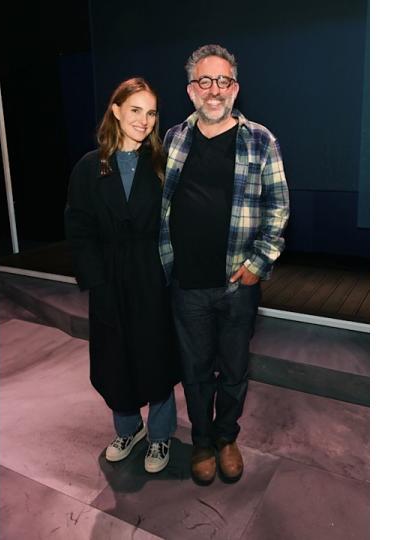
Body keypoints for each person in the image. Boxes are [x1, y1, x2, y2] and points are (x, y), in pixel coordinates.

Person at [159, 44, 290, 485]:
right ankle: (201, 442)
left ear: (234, 87)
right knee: (194, 373)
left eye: (222, 81)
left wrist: (260, 262)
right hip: (186, 284)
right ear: (190, 89)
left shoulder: (260, 140)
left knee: (234, 369)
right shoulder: (173, 139)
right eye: (204, 81)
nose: (213, 90)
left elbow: (278, 209)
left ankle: (226, 437)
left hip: (238, 284)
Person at [65, 77, 180, 474]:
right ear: (116, 110)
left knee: (157, 356)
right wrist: (95, 279)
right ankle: (127, 429)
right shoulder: (88, 166)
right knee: (116, 357)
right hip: (108, 279)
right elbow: (78, 227)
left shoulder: (163, 165)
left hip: (153, 277)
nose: (144, 120)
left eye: (150, 113)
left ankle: (161, 435)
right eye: (135, 110)